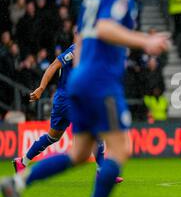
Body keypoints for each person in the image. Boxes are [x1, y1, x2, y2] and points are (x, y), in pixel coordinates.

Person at [1, 0, 169, 197]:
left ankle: (17, 183)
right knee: (121, 148)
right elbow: (104, 28)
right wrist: (144, 41)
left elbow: (85, 34)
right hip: (100, 80)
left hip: (79, 80)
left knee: (79, 153)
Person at [11, 44, 123, 184]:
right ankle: (101, 172)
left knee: (53, 137)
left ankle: (22, 162)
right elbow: (54, 65)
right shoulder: (76, 49)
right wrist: (41, 88)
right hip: (68, 99)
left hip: (68, 99)